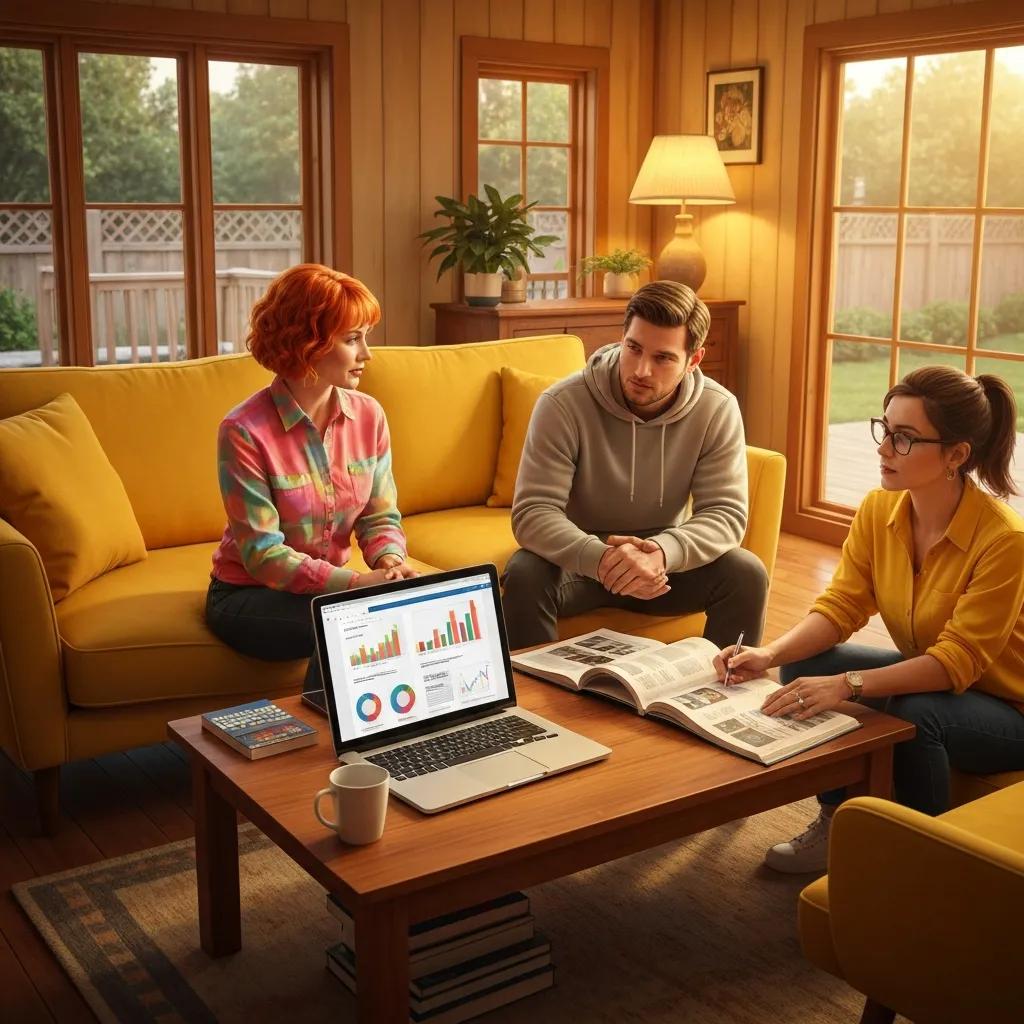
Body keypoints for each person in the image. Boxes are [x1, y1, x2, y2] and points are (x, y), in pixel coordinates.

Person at [718, 365, 1024, 873]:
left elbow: (956, 662)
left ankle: (918, 862)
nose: (884, 448)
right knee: (808, 665)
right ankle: (836, 820)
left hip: (1009, 709)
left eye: (904, 438)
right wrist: (770, 653)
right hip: (937, 679)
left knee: (917, 711)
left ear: (956, 455)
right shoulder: (879, 510)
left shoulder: (1005, 541)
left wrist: (851, 683)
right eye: (885, 429)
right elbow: (841, 607)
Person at [502, 280, 768, 651]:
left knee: (746, 574)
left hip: (663, 566)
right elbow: (533, 512)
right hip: (580, 560)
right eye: (634, 348)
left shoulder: (716, 408)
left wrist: (660, 552)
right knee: (525, 573)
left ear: (694, 360)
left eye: (663, 358)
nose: (642, 370)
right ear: (622, 337)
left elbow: (725, 514)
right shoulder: (562, 403)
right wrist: (605, 559)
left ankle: (721, 697)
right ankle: (538, 699)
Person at [206, 264, 416, 689]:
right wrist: (355, 583)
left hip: (331, 590)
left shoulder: (369, 415)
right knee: (344, 626)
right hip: (248, 595)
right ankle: (334, 753)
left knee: (405, 610)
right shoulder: (243, 431)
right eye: (352, 339)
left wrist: (391, 563)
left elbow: (379, 516)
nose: (367, 354)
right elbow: (264, 555)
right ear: (309, 342)